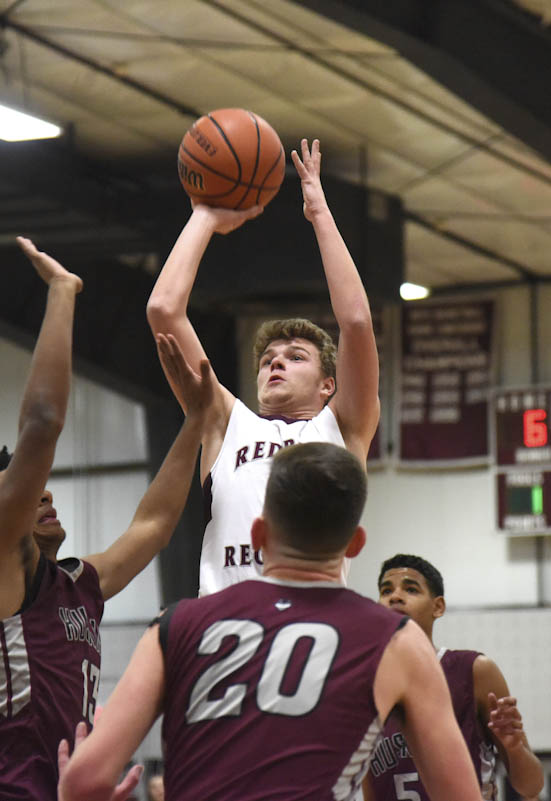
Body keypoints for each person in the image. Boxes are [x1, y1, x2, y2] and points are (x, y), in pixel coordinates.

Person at [0, 238, 212, 801]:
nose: (40, 493)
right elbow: (41, 423)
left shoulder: (78, 583)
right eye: (16, 492)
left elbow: (153, 525)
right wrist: (63, 292)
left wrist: (197, 420)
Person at [57, 443, 481, 801]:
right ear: (355, 544)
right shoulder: (399, 641)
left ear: (258, 536)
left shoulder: (175, 623)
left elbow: (86, 780)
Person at [147, 138, 380, 595]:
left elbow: (354, 321)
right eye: (269, 359)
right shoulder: (224, 422)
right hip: (225, 629)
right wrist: (205, 217)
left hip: (312, 624)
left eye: (296, 358)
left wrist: (320, 215)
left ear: (328, 385)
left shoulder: (343, 429)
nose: (276, 364)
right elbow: (163, 310)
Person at [366, 554, 545, 801]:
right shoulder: (363, 682)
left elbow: (531, 787)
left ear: (438, 607)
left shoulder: (474, 670)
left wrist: (514, 748)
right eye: (386, 590)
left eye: (410, 589)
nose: (395, 596)